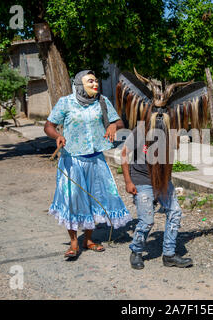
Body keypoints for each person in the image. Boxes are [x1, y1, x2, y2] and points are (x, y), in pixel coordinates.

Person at [44, 70, 131, 258]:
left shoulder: (102, 101)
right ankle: (74, 242)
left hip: (95, 159)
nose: (95, 84)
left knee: (94, 198)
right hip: (72, 160)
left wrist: (113, 125)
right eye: (90, 81)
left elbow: (120, 122)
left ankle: (88, 239)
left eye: (96, 81)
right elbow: (48, 126)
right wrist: (58, 136)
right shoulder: (66, 103)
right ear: (79, 84)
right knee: (73, 200)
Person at [121, 122, 193, 270]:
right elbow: (124, 153)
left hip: (162, 180)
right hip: (142, 180)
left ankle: (169, 254)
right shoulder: (141, 129)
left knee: (175, 212)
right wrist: (128, 181)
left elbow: (173, 151)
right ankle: (136, 251)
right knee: (147, 220)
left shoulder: (169, 129)